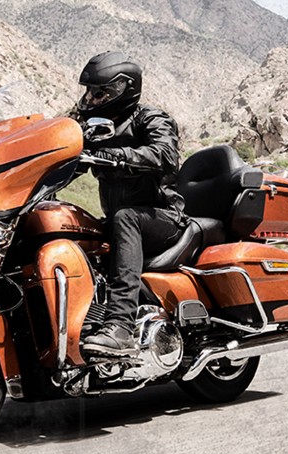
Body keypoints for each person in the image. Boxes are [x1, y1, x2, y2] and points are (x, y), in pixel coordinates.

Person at [73, 51, 187, 357]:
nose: (91, 99)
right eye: (89, 92)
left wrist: (120, 155)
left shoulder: (150, 118)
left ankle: (121, 326)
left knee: (125, 217)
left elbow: (165, 154)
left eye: (100, 93)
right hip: (122, 220)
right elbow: (59, 140)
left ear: (124, 89)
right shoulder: (91, 124)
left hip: (162, 218)